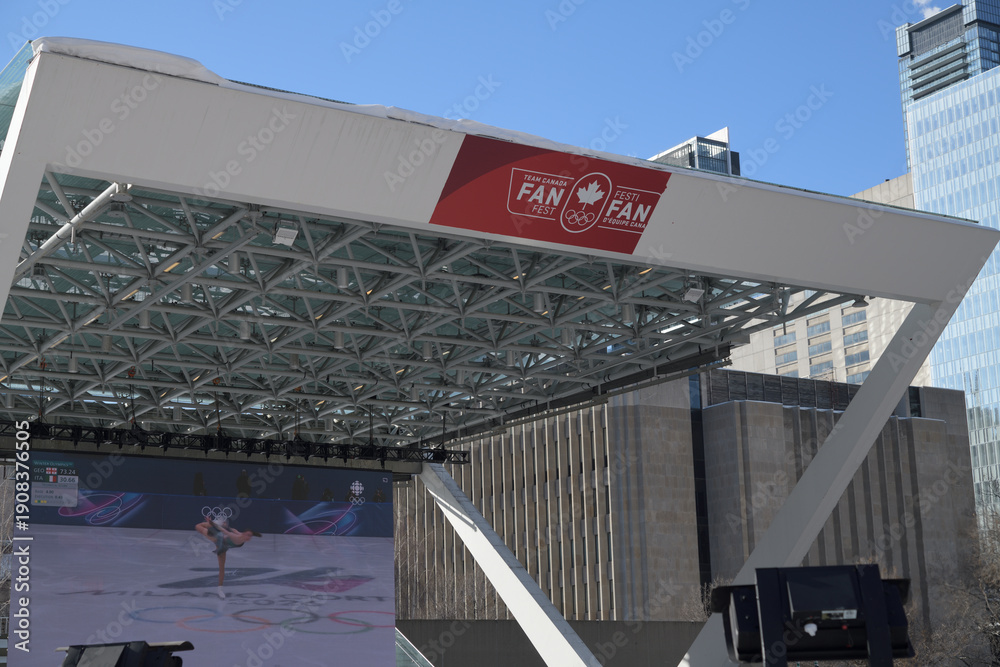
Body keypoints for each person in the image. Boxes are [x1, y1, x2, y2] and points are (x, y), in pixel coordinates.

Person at [195, 517, 261, 598]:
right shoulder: (236, 537)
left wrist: (225, 526)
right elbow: (225, 531)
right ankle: (210, 524)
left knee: (222, 568)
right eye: (248, 535)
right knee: (198, 526)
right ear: (244, 534)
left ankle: (220, 589)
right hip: (216, 539)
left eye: (250, 536)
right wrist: (212, 523)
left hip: (223, 546)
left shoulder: (239, 535)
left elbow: (232, 530)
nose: (249, 537)